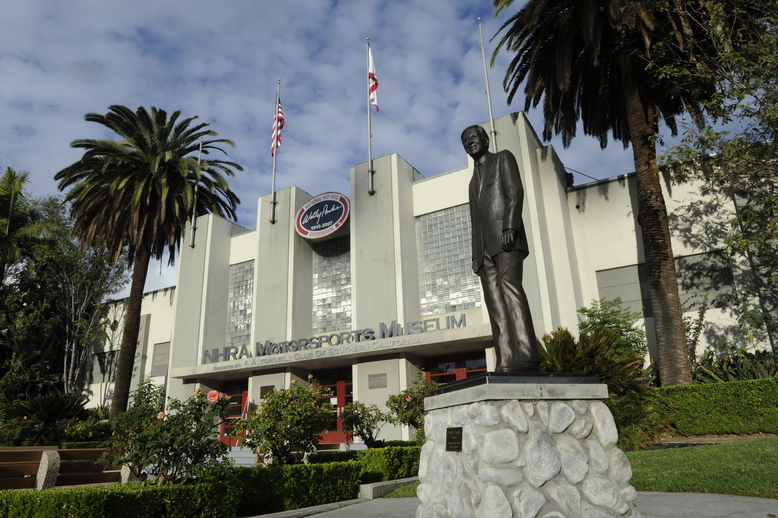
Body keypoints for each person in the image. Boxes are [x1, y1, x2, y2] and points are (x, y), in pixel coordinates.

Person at [462, 124, 541, 372]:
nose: (470, 142)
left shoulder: (502, 158)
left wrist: (510, 227)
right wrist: (476, 255)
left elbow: (515, 193)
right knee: (494, 303)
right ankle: (505, 361)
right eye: (466, 140)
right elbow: (476, 222)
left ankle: (527, 356)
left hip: (507, 239)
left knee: (510, 289)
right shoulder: (472, 181)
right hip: (485, 251)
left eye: (474, 137)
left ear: (486, 139)